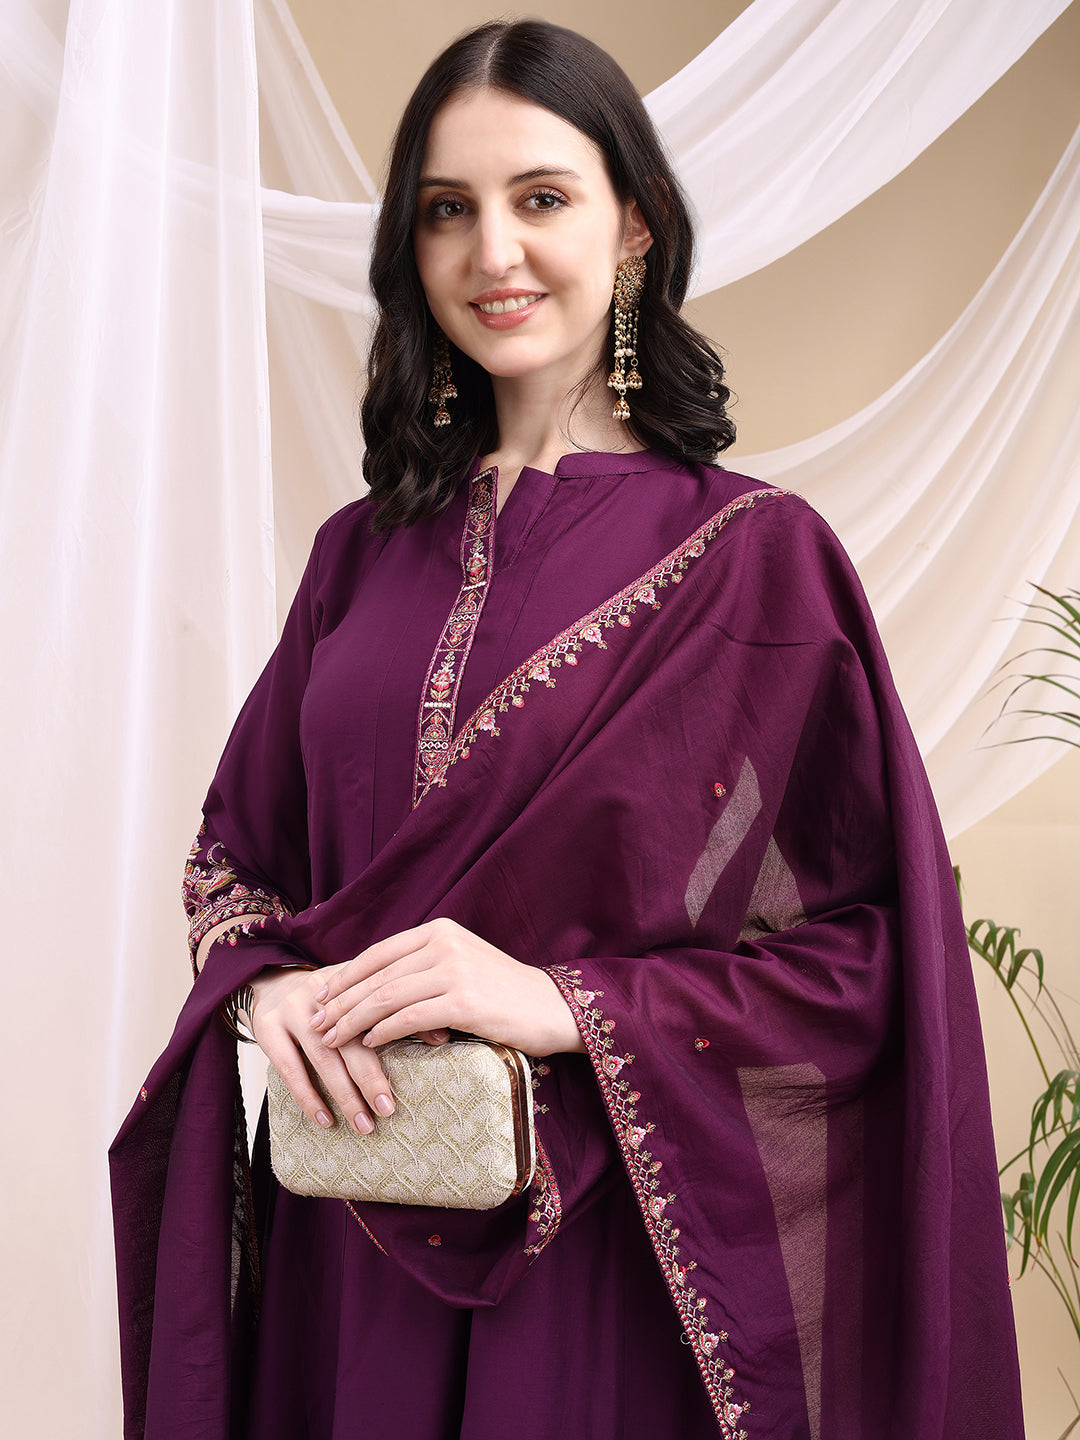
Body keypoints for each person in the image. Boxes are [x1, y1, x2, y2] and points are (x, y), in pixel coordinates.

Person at [111, 19, 1024, 1439]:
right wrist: (267, 990)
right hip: (348, 1229)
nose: (494, 253)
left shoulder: (755, 562)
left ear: (635, 225)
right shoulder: (359, 555)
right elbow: (241, 858)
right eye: (447, 210)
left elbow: (871, 954)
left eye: (541, 197)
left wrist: (568, 1004)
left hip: (595, 1263)